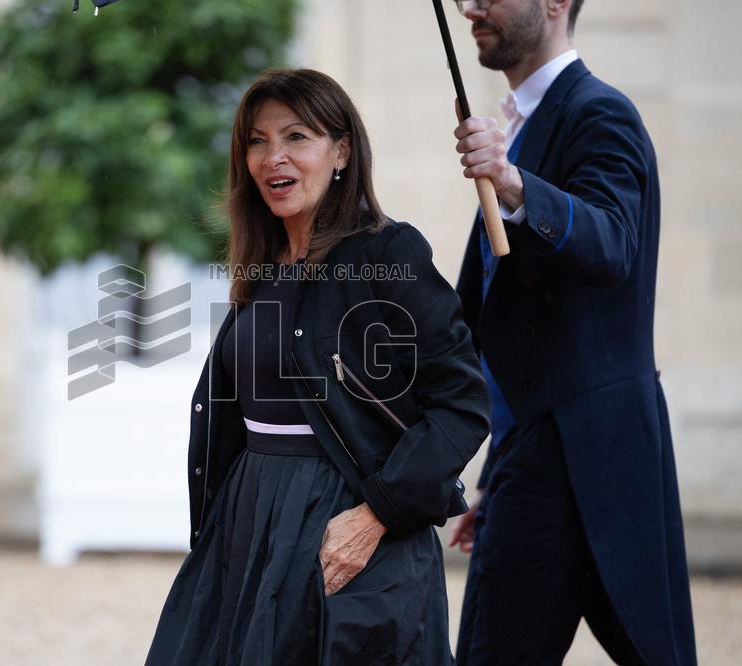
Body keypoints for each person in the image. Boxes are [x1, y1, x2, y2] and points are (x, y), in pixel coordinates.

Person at [144, 68, 490, 665]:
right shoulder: (263, 263)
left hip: (348, 523)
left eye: (296, 136)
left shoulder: (389, 252)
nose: (272, 156)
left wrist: (378, 513)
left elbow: (462, 403)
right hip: (249, 522)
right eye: (256, 140)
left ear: (341, 151)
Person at [446, 1, 697, 664]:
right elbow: (493, 322)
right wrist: (493, 475)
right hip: (530, 464)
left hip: (602, 462)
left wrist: (509, 179)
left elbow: (612, 243)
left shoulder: (599, 112)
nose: (471, 6)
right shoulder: (516, 130)